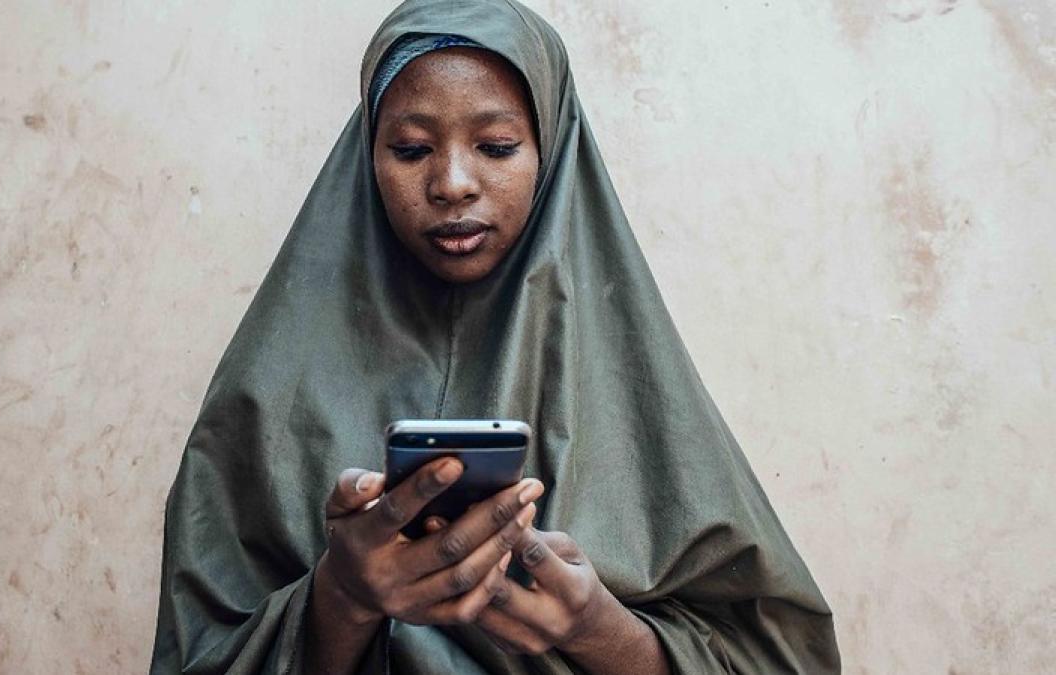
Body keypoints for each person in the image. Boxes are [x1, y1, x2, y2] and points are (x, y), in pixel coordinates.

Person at [149, 1, 841, 673]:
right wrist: (344, 594)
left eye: (497, 146)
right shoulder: (265, 397)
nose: (452, 183)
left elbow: (783, 657)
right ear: (367, 155)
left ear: (552, 150)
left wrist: (596, 626)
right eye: (412, 147)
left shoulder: (637, 390)